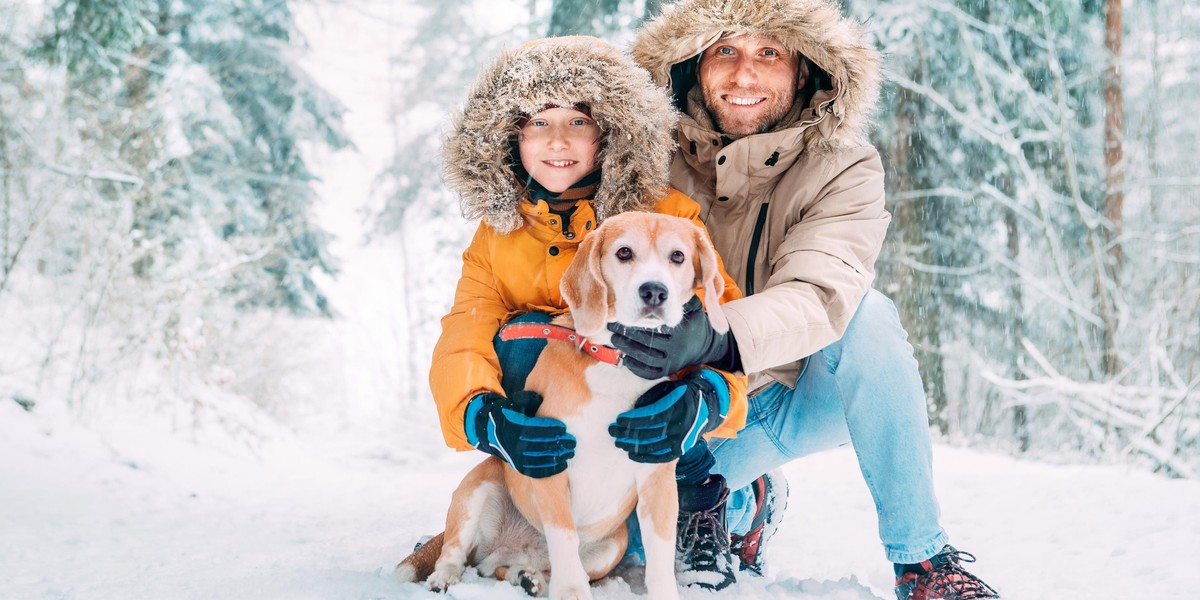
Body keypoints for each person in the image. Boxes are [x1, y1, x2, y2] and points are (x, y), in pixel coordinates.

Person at [609, 1, 1002, 599]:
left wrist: (716, 334)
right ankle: (743, 502)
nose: (745, 75)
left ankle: (922, 560)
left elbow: (821, 292)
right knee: (615, 551)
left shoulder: (844, 166)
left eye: (769, 52)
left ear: (804, 68)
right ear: (692, 63)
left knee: (869, 316)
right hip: (670, 416)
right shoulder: (642, 159)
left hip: (785, 397)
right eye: (725, 51)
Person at [428, 35, 751, 589]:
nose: (558, 140)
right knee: (524, 338)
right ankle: (520, 526)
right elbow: (464, 334)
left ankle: (706, 498)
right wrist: (481, 416)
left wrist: (710, 398)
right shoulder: (494, 238)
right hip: (557, 424)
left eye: (579, 121)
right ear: (510, 137)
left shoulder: (669, 216)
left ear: (610, 134)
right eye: (537, 122)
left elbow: (736, 325)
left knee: (683, 346)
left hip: (649, 424)